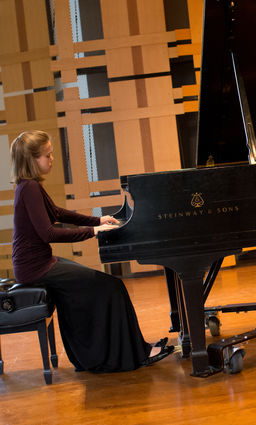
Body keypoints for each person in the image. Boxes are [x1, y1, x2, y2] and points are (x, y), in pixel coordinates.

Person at [10, 130, 174, 373]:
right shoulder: (29, 188)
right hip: (35, 268)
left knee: (103, 286)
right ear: (32, 159)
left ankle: (121, 349)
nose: (52, 159)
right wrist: (92, 231)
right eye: (47, 155)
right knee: (112, 286)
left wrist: (97, 220)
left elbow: (58, 213)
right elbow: (49, 233)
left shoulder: (29, 186)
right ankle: (132, 352)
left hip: (39, 263)